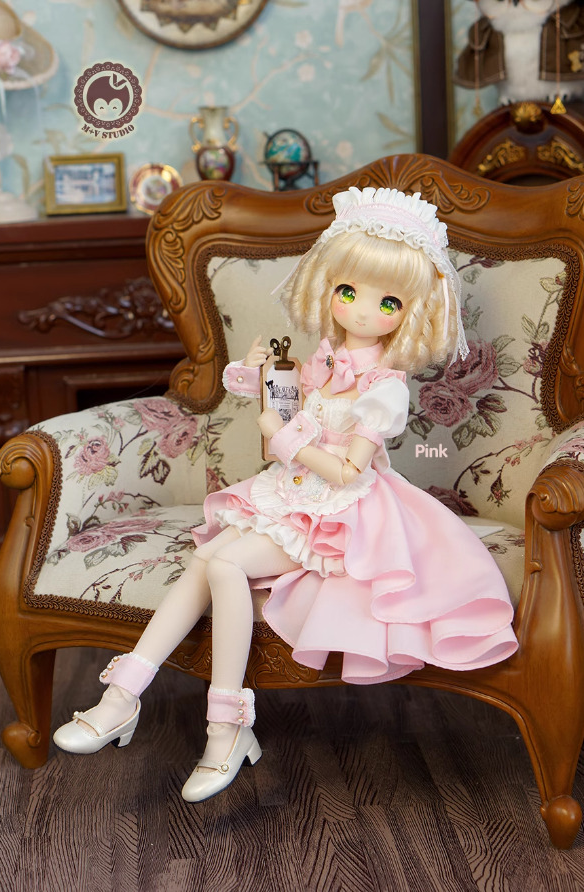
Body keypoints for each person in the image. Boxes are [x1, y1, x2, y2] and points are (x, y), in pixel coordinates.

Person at [53, 186, 518, 802]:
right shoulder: (322, 360)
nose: (361, 310)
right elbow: (288, 398)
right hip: (287, 495)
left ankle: (224, 726)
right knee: (206, 560)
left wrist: (285, 437)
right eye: (347, 291)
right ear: (328, 286)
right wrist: (258, 379)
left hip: (343, 511)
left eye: (386, 302)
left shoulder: (385, 387)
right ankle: (123, 699)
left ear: (410, 313)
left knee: (223, 563)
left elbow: (348, 472)